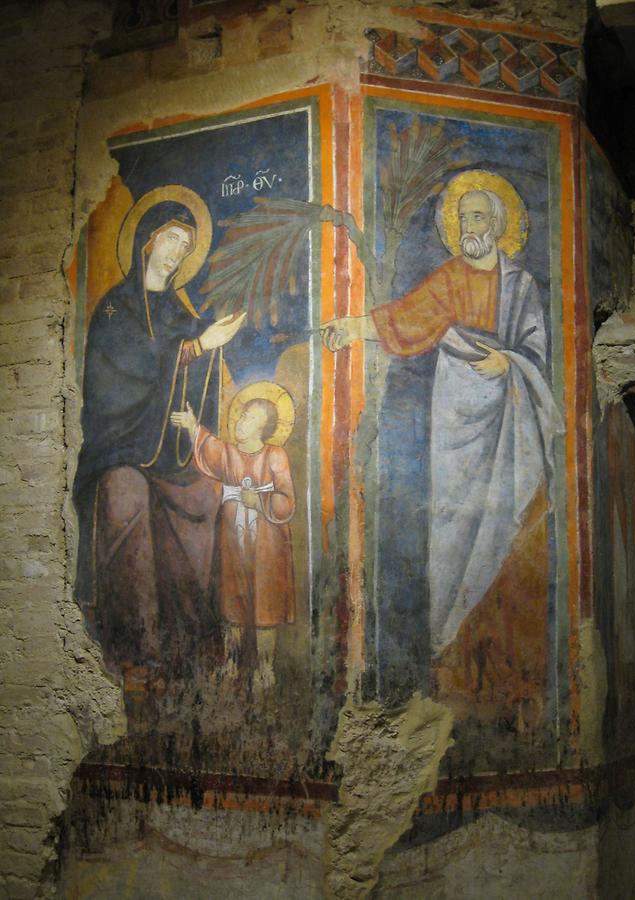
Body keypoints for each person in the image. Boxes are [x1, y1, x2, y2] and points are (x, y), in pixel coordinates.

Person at [322, 177, 563, 709]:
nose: (468, 227)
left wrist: (511, 363)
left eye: (479, 217)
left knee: (508, 524)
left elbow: (537, 354)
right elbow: (409, 318)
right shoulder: (451, 277)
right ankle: (445, 649)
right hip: (455, 415)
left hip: (511, 414)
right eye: (463, 217)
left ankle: (501, 668)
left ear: (499, 226)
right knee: (451, 522)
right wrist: (355, 325)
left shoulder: (522, 286)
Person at [73, 197, 246, 685]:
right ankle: (137, 649)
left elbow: (194, 378)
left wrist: (203, 356)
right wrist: (196, 348)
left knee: (203, 498)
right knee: (127, 496)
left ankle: (188, 644)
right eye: (171, 239)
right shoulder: (114, 308)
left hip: (166, 451)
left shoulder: (178, 312)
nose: (177, 252)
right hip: (118, 450)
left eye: (187, 245)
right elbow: (117, 383)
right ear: (146, 238)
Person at [171, 391, 295, 689]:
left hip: (267, 541)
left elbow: (288, 502)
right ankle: (231, 661)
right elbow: (209, 447)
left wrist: (260, 501)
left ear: (263, 428)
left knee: (266, 600)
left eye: (251, 418)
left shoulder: (275, 455)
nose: (241, 422)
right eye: (242, 415)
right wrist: (192, 426)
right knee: (232, 596)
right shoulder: (227, 452)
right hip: (231, 538)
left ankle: (265, 667)